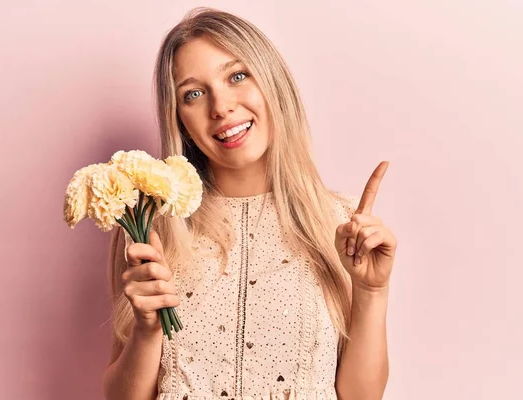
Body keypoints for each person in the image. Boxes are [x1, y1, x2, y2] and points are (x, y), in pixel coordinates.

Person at [103, 7, 397, 400]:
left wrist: (372, 292)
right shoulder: (151, 226)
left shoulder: (342, 225)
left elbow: (360, 397)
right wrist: (147, 328)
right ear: (179, 119)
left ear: (272, 83)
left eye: (237, 76)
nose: (221, 106)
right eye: (193, 93)